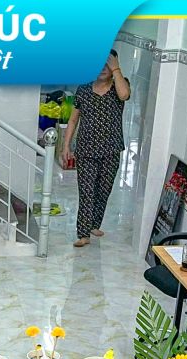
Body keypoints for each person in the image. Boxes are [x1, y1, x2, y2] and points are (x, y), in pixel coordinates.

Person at [61, 50, 131, 247]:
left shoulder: (119, 86)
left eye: (107, 64)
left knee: (103, 190)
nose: (103, 68)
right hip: (86, 150)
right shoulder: (83, 89)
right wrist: (66, 145)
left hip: (111, 149)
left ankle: (93, 224)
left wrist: (116, 69)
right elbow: (73, 120)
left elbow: (125, 95)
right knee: (87, 191)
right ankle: (83, 233)